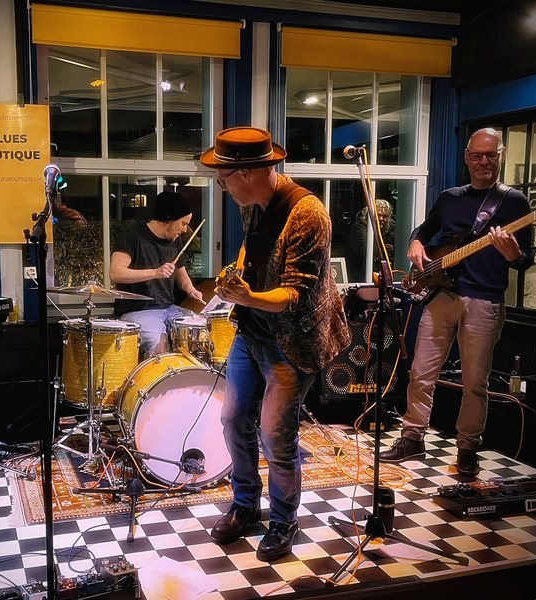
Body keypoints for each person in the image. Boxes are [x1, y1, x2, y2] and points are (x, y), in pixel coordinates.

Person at [200, 127, 351, 561]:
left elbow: (295, 294)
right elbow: (252, 247)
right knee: (233, 420)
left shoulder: (308, 214)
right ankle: (245, 505)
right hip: (253, 332)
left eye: (224, 179)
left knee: (275, 435)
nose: (223, 187)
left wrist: (247, 297)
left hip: (293, 341)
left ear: (246, 173)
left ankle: (284, 520)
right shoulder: (253, 203)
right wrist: (238, 274)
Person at [379, 128, 533, 476]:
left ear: (501, 156)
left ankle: (467, 448)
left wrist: (512, 253)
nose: (483, 161)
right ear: (466, 157)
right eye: (477, 155)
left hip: (484, 301)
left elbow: (525, 260)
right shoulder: (450, 197)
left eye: (490, 155)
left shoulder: (515, 203)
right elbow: (424, 230)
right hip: (442, 295)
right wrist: (415, 243)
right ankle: (412, 438)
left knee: (475, 382)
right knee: (420, 373)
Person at [110, 190, 204, 356]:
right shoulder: (132, 236)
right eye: (183, 224)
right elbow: (116, 273)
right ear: (169, 220)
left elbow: (181, 274)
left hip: (169, 308)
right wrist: (155, 272)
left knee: (200, 331)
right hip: (138, 310)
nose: (185, 230)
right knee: (158, 341)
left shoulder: (174, 241)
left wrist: (190, 288)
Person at [344, 199, 395, 282]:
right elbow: (364, 249)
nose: (381, 219)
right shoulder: (360, 227)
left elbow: (400, 247)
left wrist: (393, 248)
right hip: (360, 273)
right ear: (369, 215)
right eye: (378, 215)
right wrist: (382, 250)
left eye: (385, 216)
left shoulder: (392, 227)